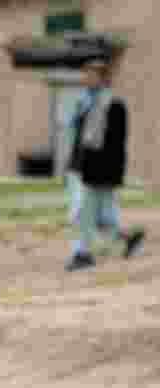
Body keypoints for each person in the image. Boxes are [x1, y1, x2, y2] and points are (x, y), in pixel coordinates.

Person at [65, 58, 145, 272]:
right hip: (86, 168)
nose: (87, 78)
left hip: (98, 172)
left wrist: (106, 173)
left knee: (84, 212)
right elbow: (81, 138)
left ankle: (83, 254)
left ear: (103, 78)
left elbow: (110, 143)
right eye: (86, 74)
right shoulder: (86, 103)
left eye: (92, 75)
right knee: (103, 217)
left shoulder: (110, 104)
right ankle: (129, 240)